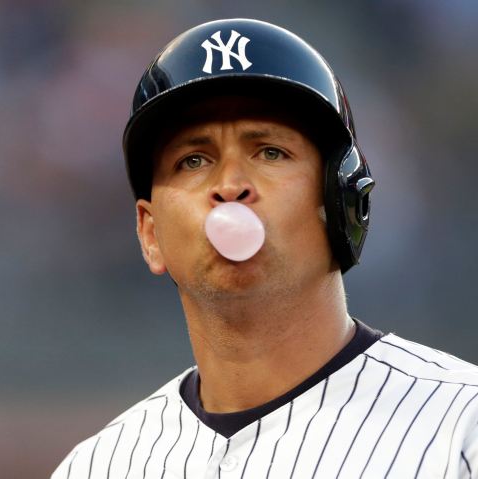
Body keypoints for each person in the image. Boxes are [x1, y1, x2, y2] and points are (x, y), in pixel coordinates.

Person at [51, 19, 478, 478]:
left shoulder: (462, 429)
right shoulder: (99, 466)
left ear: (342, 203)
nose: (231, 185)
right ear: (150, 234)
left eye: (270, 151)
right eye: (193, 160)